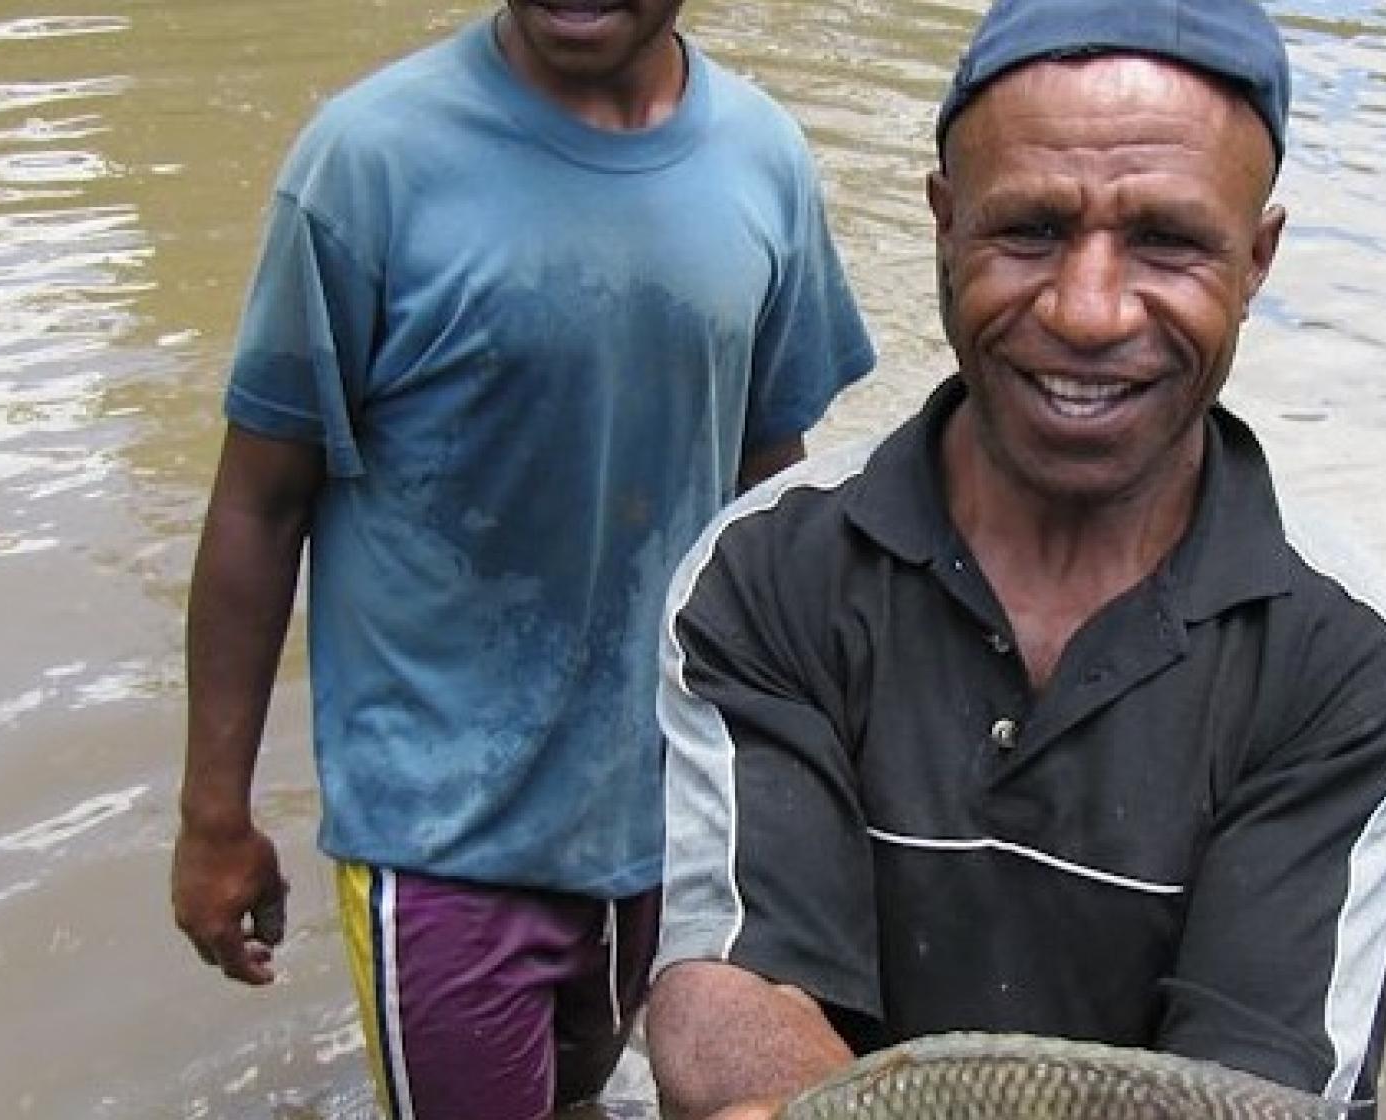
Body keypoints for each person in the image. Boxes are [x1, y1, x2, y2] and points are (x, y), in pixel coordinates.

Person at [639, 1, 1386, 1117]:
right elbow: (733, 974)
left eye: (1166, 240)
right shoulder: (767, 571)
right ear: (942, 223)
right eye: (1028, 231)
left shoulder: (1343, 657)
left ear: (1257, 259)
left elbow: (1253, 1084)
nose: (1086, 310)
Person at [168, 0, 875, 1115]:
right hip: (439, 835)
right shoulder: (368, 165)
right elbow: (260, 501)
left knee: (595, 1093)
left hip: (667, 816)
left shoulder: (763, 160)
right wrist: (214, 814)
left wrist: (817, 781)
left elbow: (770, 494)